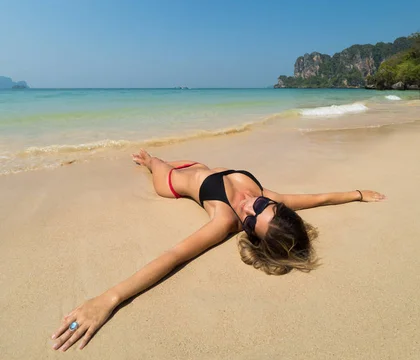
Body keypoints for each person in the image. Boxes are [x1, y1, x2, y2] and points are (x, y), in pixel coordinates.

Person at [51, 149, 386, 351]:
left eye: (251, 222)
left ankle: (149, 160)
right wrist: (358, 193)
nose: (248, 209)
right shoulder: (268, 195)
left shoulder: (224, 220)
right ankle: (152, 158)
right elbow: (320, 198)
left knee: (151, 161)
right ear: (274, 203)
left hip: (171, 183)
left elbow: (173, 256)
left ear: (250, 235)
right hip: (200, 165)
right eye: (261, 206)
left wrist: (107, 299)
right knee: (170, 159)